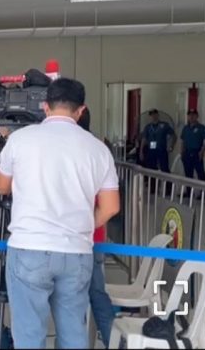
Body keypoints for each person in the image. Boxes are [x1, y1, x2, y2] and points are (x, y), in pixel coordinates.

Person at [0, 78, 120, 349]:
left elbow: (1, 187)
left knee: (29, 337)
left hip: (29, 248)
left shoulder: (20, 140)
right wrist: (83, 226)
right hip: (77, 252)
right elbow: (111, 206)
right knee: (73, 334)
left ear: (45, 106)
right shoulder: (99, 149)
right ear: (81, 110)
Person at [78, 107, 115, 347]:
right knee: (98, 295)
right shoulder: (100, 150)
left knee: (70, 301)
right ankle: (113, 342)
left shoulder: (65, 150)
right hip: (96, 235)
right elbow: (109, 203)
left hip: (73, 238)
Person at [140, 109, 175, 173]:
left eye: (155, 114)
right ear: (150, 116)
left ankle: (166, 179)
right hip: (151, 150)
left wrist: (171, 146)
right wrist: (141, 151)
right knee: (151, 169)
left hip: (162, 150)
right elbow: (144, 139)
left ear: (158, 115)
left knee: (164, 168)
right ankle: (152, 179)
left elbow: (173, 136)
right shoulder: (148, 127)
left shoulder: (164, 125)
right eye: (151, 115)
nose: (153, 116)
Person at [180, 109, 205, 185]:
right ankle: (189, 191)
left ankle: (204, 191)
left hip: (196, 153)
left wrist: (202, 151)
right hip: (187, 153)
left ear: (197, 116)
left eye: (193, 115)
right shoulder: (185, 128)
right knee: (188, 174)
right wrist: (181, 151)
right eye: (190, 115)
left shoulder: (202, 128)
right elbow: (183, 141)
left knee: (201, 174)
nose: (191, 116)